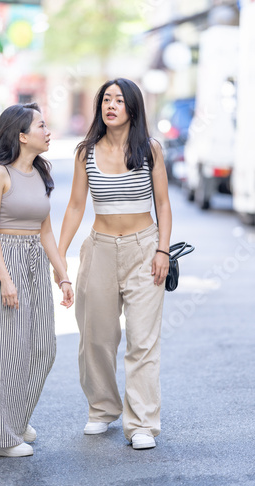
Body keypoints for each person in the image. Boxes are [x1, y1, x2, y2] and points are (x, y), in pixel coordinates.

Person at [55, 78, 172, 450]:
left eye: (119, 100)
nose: (111, 105)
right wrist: (60, 256)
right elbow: (75, 206)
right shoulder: (85, 151)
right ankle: (102, 408)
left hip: (144, 249)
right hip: (100, 249)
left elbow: (164, 205)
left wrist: (163, 251)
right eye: (106, 99)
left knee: (142, 340)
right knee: (96, 338)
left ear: (132, 108)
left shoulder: (150, 150)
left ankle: (141, 423)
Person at [0, 103, 74, 458]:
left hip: (34, 258)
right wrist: (5, 279)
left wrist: (63, 275)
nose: (48, 132)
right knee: (6, 352)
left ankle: (16, 419)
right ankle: (2, 439)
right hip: (8, 259)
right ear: (21, 136)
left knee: (42, 348)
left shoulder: (39, 173)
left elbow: (46, 231)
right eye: (41, 126)